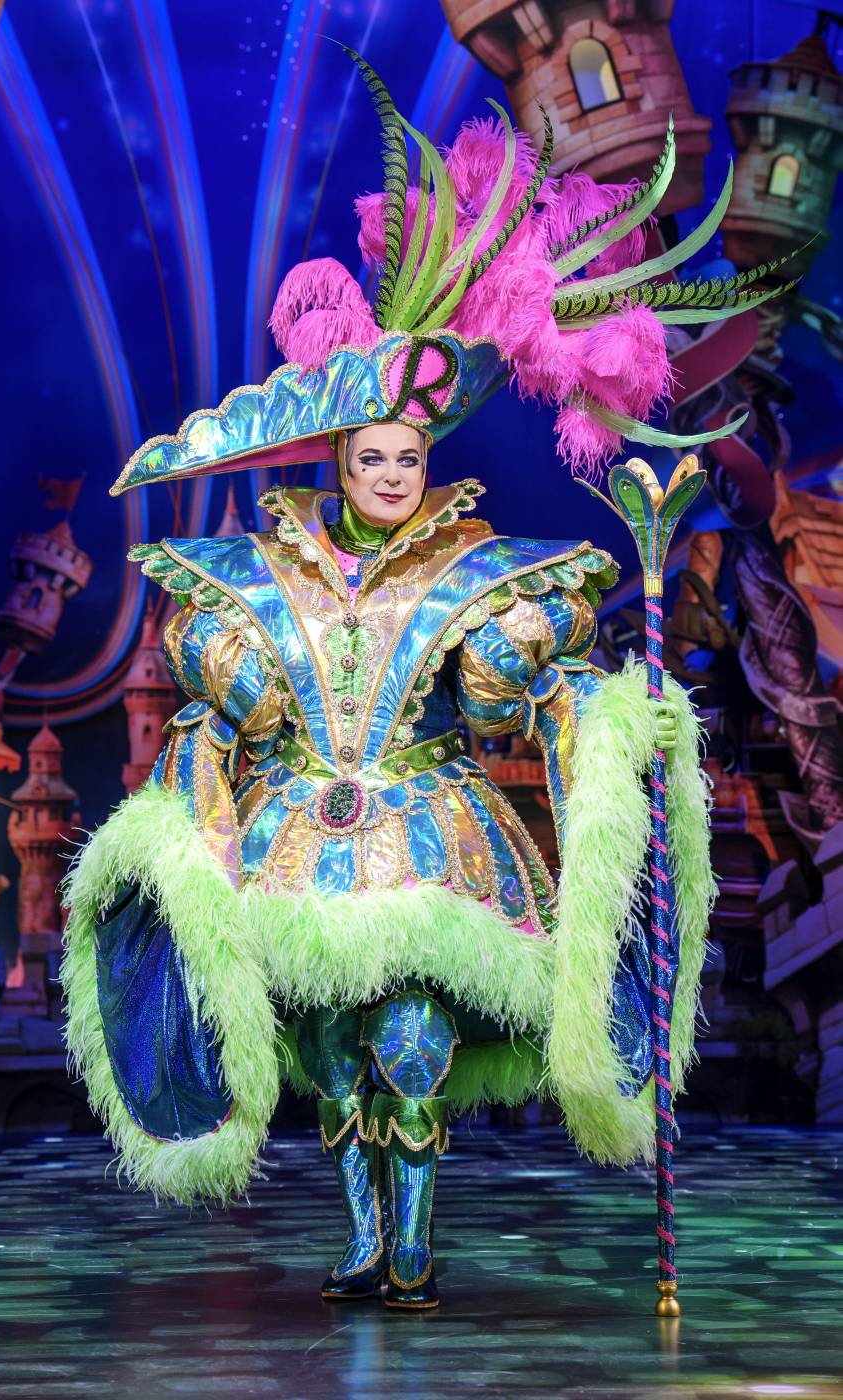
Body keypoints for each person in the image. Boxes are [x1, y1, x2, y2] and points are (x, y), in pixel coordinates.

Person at [62, 50, 776, 1310]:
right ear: (339, 459)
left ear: (426, 459)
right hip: (296, 841)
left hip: (435, 840)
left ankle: (416, 1238)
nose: (391, 474)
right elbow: (219, 724)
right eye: (371, 457)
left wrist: (620, 722)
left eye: (407, 456)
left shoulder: (483, 570)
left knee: (411, 1040)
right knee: (337, 1054)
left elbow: (517, 701)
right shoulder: (255, 576)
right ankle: (363, 1241)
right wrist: (198, 798)